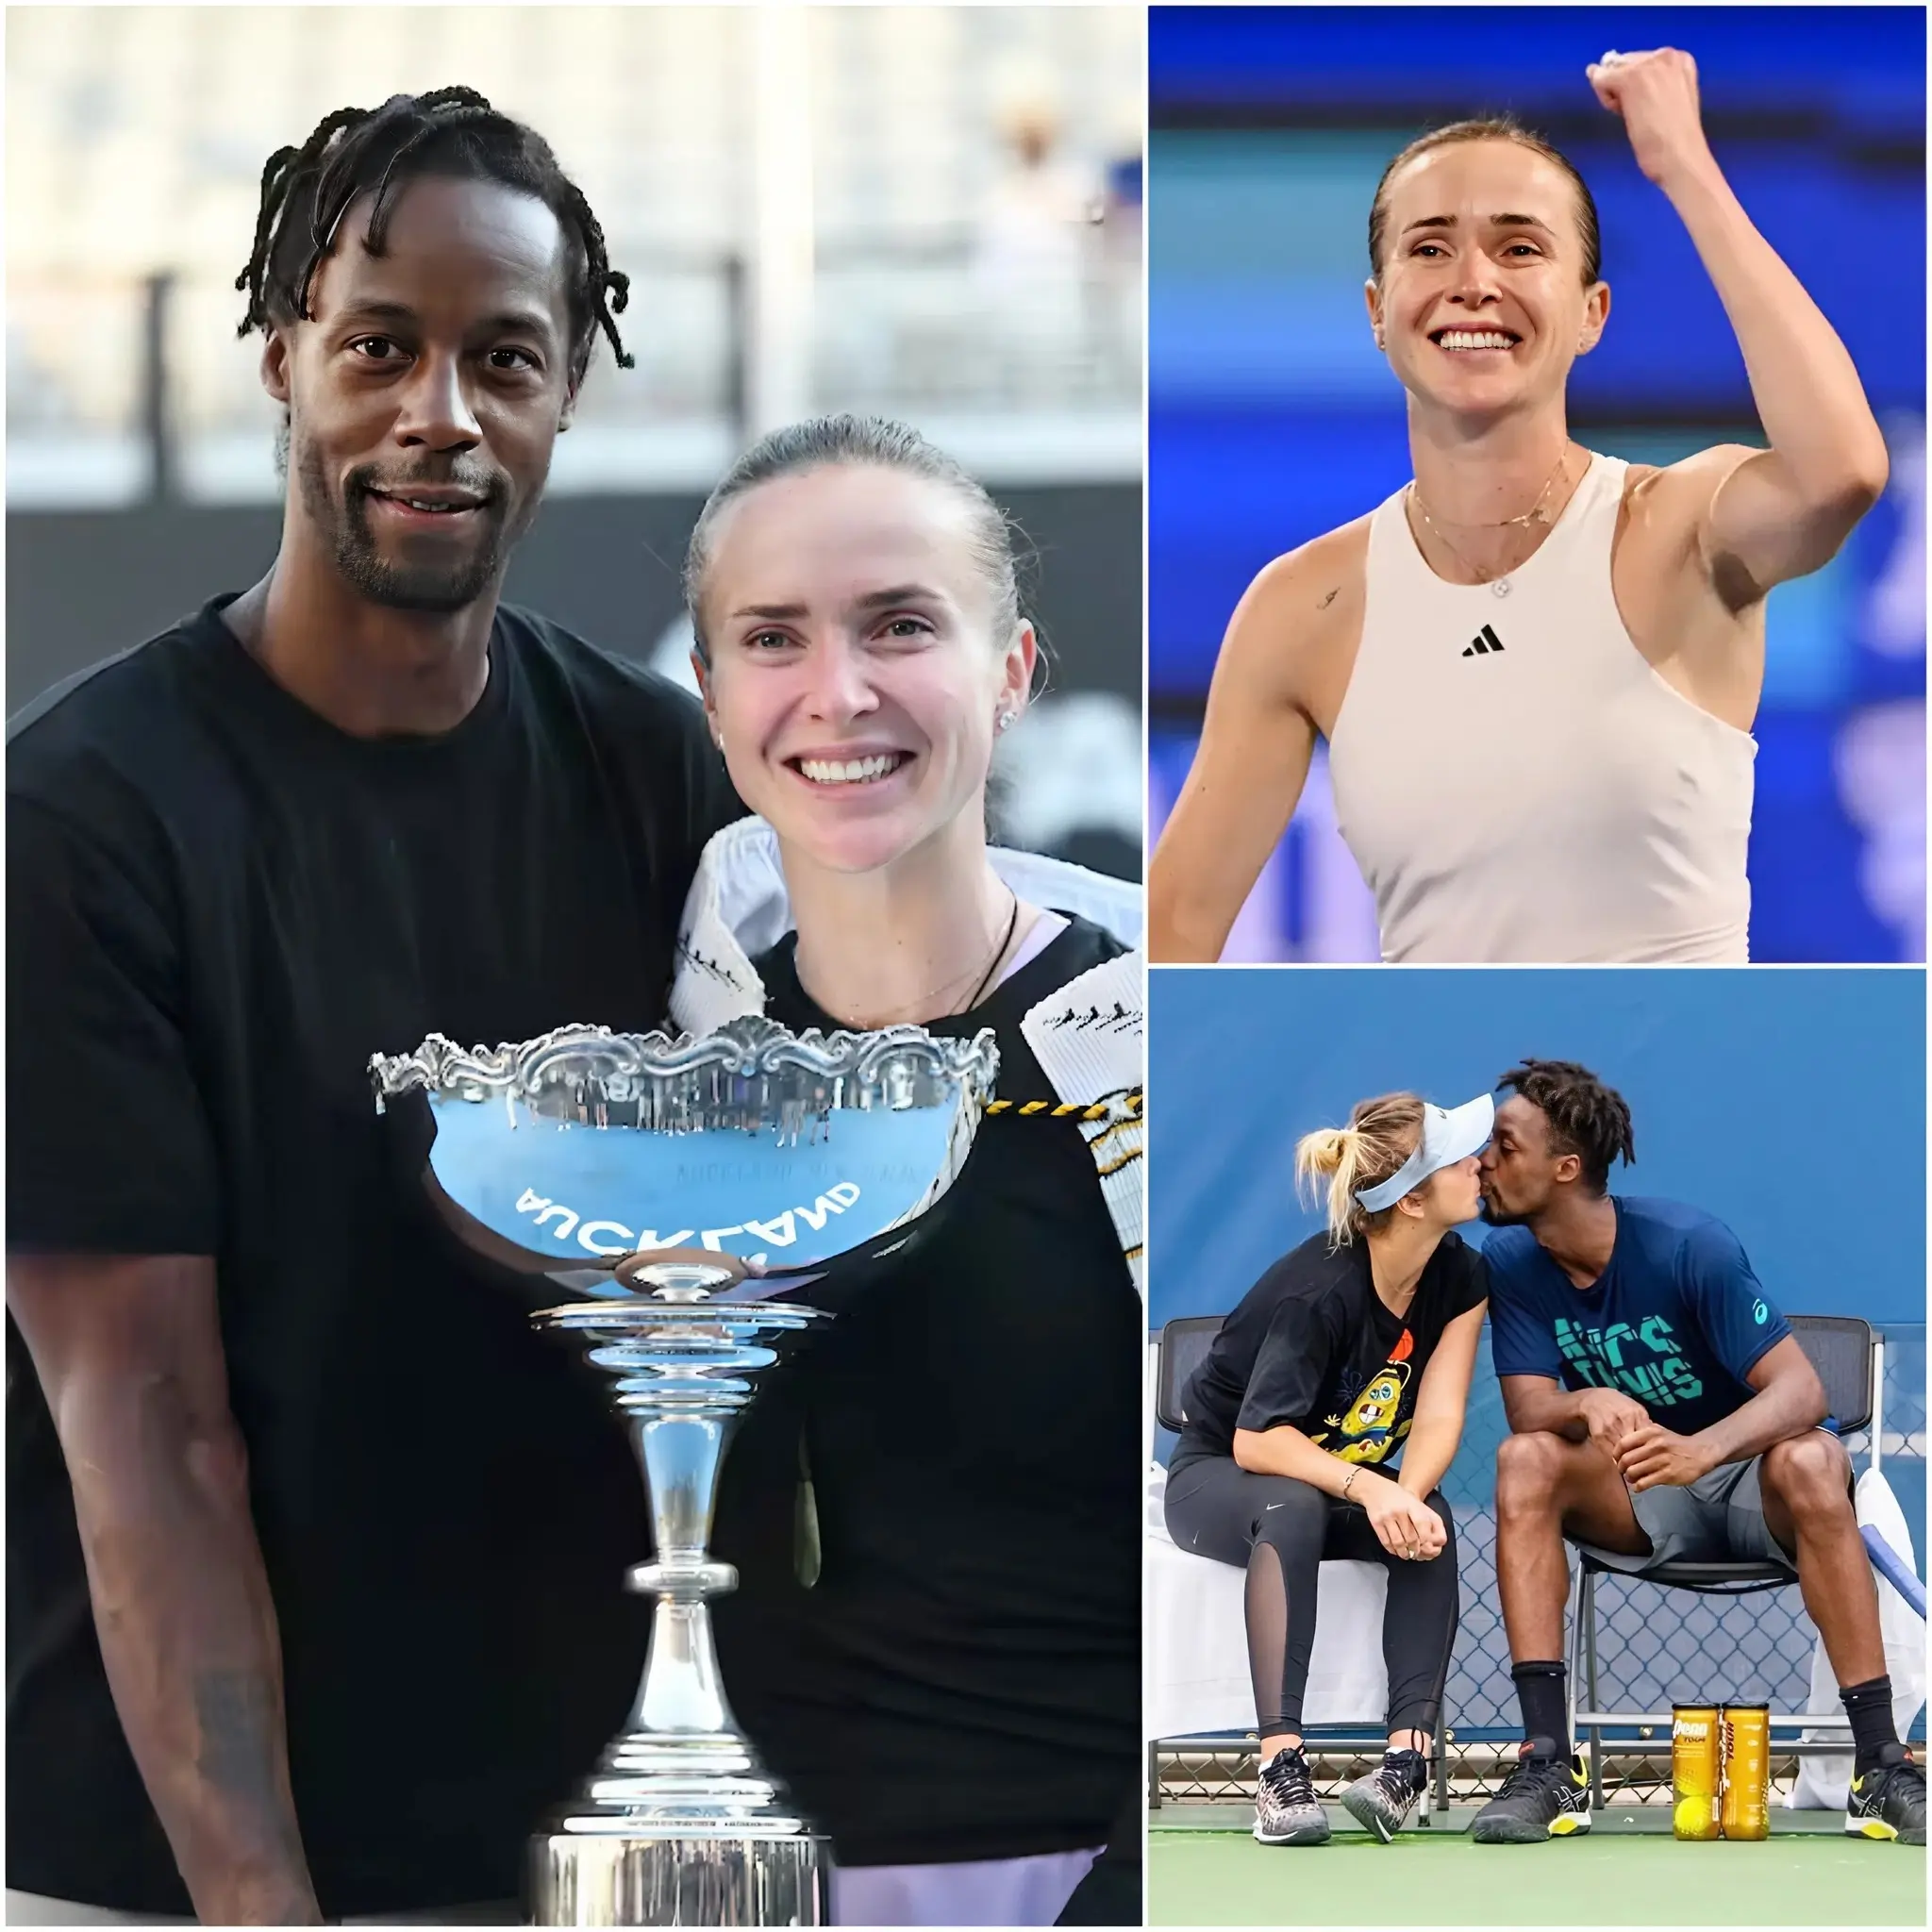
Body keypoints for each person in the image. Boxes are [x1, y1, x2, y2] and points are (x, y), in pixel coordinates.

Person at [6, 91, 742, 1926]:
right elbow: (147, 1429)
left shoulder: (661, 774)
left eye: (505, 359)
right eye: (379, 348)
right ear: (284, 358)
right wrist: (266, 1905)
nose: (441, 414)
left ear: (567, 393)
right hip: (170, 1874)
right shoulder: (78, 817)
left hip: (577, 1858)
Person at [666, 415, 1145, 1926]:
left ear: (1012, 672)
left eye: (901, 626)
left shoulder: (1158, 1054)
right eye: (774, 637)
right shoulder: (660, 1083)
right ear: (713, 696)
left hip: (1090, 1870)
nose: (840, 692)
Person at [1149, 48, 1890, 965]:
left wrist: (1684, 167)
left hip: (1690, 1056)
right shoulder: (1306, 607)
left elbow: (1839, 472)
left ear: (1592, 313)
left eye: (1519, 248)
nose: (1473, 280)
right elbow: (1175, 928)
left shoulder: (1674, 529)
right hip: (1440, 1061)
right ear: (1377, 310)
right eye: (1429, 248)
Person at [1471, 1059, 1926, 1846]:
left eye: (1504, 1148)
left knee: (1814, 1459)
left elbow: (1802, 1391)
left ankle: (1880, 1766)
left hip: (1755, 1490)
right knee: (1525, 1459)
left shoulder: (1687, 1245)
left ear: (1566, 1167)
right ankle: (1548, 1763)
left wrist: (1701, 1449)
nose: (1482, 1162)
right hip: (1640, 1492)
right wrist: (1584, 1400)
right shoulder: (1511, 1262)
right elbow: (1528, 1407)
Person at [1163, 1092, 1491, 1846]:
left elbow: (1439, 1415)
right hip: (1218, 1476)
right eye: (1458, 1159)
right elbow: (1257, 1442)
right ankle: (1279, 1770)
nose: (1479, 1164)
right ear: (1412, 1201)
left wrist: (1405, 1498)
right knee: (1294, 1505)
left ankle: (1404, 1765)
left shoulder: (1461, 1274)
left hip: (1330, 1476)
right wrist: (1372, 1487)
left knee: (1430, 1517)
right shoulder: (1318, 1291)